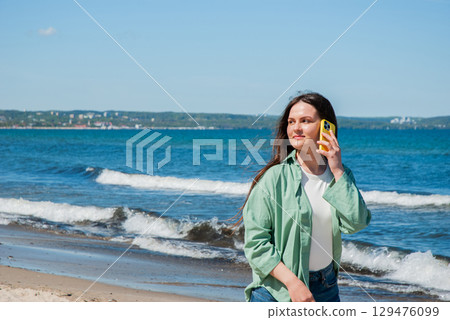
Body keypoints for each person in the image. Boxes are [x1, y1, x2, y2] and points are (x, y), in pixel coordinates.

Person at [238, 92, 371, 302]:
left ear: (327, 127)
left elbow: (356, 222)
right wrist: (293, 283)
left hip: (327, 287)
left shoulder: (341, 176)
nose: (296, 128)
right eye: (291, 122)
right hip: (277, 292)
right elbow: (256, 244)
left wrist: (337, 170)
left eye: (305, 121)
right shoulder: (274, 178)